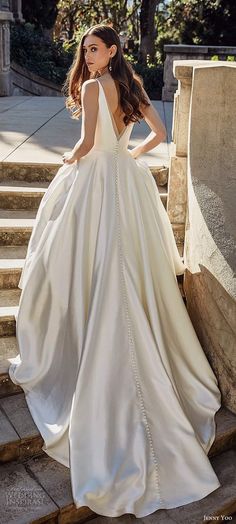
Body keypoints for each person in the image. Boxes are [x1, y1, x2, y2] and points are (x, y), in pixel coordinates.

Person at [9, 24, 222, 518]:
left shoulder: (90, 86)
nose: (87, 56)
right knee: (122, 265)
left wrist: (72, 158)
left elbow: (85, 143)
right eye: (84, 49)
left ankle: (82, 336)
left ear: (112, 50)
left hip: (96, 179)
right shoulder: (132, 86)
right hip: (125, 180)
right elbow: (161, 134)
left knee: (78, 260)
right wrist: (131, 155)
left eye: (94, 49)